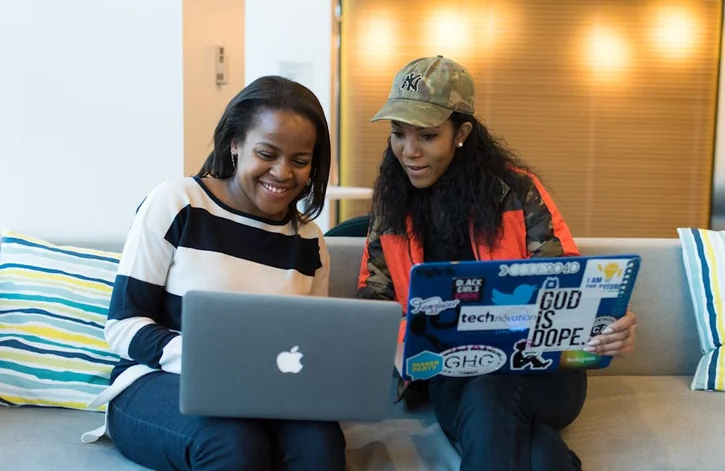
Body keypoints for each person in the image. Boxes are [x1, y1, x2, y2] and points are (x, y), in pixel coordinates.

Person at [357, 56, 637, 471]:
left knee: (491, 388)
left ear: (461, 133)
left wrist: (605, 326)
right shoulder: (390, 208)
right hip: (451, 374)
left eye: (428, 136)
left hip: (545, 374)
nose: (409, 151)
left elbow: (566, 285)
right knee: (540, 455)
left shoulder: (516, 192)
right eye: (398, 134)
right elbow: (373, 304)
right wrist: (402, 344)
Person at [86, 76, 346, 470]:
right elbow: (123, 325)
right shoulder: (177, 203)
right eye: (267, 153)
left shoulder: (308, 241)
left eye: (299, 161)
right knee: (234, 445)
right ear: (235, 144)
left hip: (268, 393)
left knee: (320, 448)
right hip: (155, 381)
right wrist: (212, 363)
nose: (282, 173)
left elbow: (310, 346)